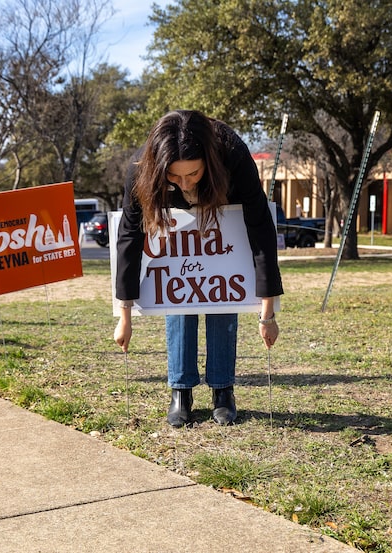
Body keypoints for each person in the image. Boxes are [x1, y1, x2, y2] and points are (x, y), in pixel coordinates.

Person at [113, 109, 283, 427]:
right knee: (179, 295)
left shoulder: (233, 153)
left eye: (192, 174)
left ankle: (223, 390)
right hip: (175, 237)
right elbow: (129, 236)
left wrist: (267, 313)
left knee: (221, 296)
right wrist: (124, 317)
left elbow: (260, 227)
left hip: (223, 221)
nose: (185, 183)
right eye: (175, 177)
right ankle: (181, 391)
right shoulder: (141, 168)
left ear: (209, 161)